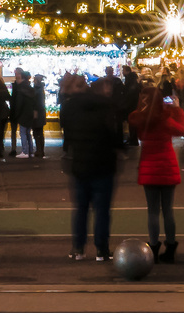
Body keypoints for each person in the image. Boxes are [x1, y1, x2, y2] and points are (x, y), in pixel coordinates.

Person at [61, 73, 123, 260]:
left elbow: (68, 136)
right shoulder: (103, 105)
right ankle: (101, 249)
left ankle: (78, 248)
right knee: (102, 211)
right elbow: (113, 134)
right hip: (103, 164)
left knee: (81, 210)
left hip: (80, 164)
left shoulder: (69, 108)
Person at [130, 82, 184, 262]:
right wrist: (177, 109)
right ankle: (170, 247)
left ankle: (153, 246)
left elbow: (139, 133)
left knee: (152, 211)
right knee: (168, 210)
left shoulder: (140, 118)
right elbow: (182, 130)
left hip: (149, 165)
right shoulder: (166, 118)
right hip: (167, 164)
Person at [29, 74, 48, 158]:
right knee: (40, 132)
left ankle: (39, 150)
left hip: (36, 114)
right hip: (41, 113)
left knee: (37, 133)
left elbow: (36, 103)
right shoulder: (41, 89)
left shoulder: (36, 90)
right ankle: (41, 150)